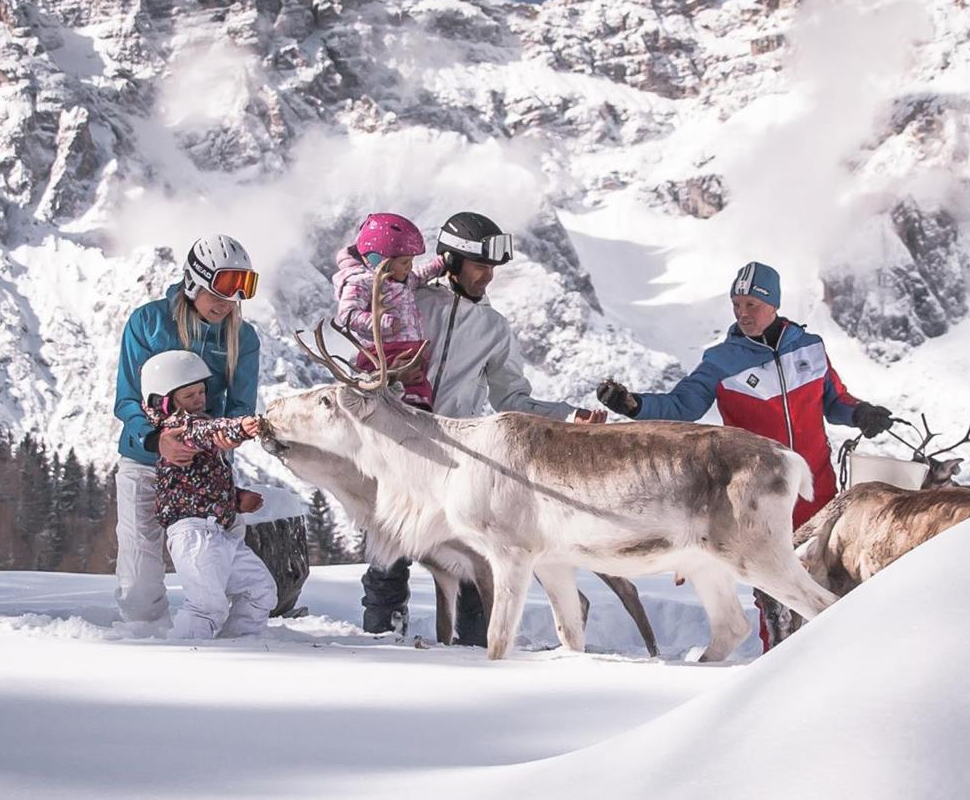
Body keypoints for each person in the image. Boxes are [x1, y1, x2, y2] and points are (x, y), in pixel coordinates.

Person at [595, 261, 893, 650]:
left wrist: (859, 413)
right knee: (772, 582)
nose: (742, 313)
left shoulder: (809, 348)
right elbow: (683, 406)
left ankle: (835, 658)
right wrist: (634, 406)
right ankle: (778, 661)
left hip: (817, 488)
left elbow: (834, 401)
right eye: (737, 304)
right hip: (758, 494)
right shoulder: (721, 360)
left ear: (773, 304)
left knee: (830, 574)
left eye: (751, 304)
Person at [358, 211, 604, 641]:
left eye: (492, 268)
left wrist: (567, 417)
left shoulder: (494, 328)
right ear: (451, 262)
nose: (488, 276)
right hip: (402, 450)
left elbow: (512, 400)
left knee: (473, 566)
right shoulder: (412, 303)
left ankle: (472, 656)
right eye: (480, 265)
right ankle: (380, 646)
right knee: (387, 564)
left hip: (457, 465)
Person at [111, 234, 261, 625]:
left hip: (203, 472)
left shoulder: (241, 338)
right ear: (195, 280)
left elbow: (241, 406)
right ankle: (144, 649)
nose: (229, 302)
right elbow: (128, 399)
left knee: (223, 571)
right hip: (145, 461)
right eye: (222, 290)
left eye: (240, 292)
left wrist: (229, 435)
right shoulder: (149, 322)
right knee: (139, 589)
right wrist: (157, 440)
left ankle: (234, 652)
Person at [138, 350, 276, 639]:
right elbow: (206, 431)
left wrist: (235, 498)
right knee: (206, 606)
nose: (199, 400)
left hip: (218, 531)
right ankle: (188, 661)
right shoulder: (179, 429)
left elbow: (199, 483)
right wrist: (238, 427)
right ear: (164, 402)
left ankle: (240, 647)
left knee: (259, 590)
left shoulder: (196, 424)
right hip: (193, 534)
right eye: (188, 396)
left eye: (201, 392)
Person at [332, 213, 446, 408]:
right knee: (396, 401)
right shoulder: (360, 281)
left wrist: (439, 265)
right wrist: (383, 323)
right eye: (404, 262)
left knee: (420, 397)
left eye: (411, 261)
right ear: (379, 259)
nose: (409, 268)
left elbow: (419, 276)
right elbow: (348, 315)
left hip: (409, 350)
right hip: (381, 354)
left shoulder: (401, 278)